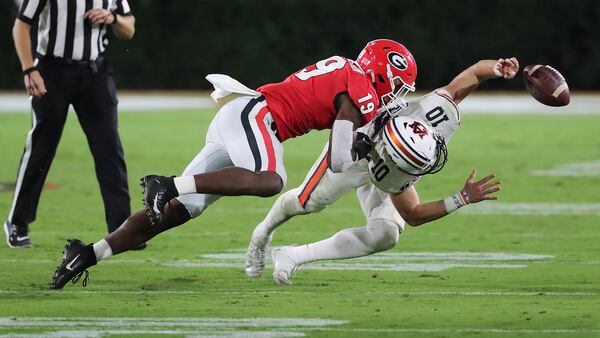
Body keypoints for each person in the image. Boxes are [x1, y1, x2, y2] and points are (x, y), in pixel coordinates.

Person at [48, 39, 418, 289]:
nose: (396, 96)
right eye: (398, 85)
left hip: (242, 117)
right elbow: (338, 161)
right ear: (384, 73)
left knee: (178, 213)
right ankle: (170, 184)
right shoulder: (362, 91)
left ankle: (88, 253)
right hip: (257, 118)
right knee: (271, 180)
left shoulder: (349, 70)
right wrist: (366, 145)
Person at [244, 57, 519, 285]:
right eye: (414, 164)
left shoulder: (437, 115)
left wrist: (495, 69)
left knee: (386, 234)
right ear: (398, 163)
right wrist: (461, 199)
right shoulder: (395, 172)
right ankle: (262, 233)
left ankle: (293, 256)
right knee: (306, 202)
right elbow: (413, 214)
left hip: (390, 150)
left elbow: (472, 74)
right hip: (355, 150)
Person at [5, 0, 136, 248]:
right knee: (41, 150)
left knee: (109, 149)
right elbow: (21, 25)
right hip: (52, 71)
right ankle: (17, 222)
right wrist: (29, 69)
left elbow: (129, 28)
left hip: (95, 73)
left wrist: (113, 19)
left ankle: (122, 228)